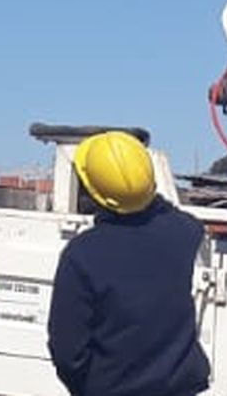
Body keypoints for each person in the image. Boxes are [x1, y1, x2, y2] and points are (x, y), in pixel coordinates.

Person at [47, 130, 211, 396]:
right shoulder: (185, 232)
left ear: (94, 191)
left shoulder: (83, 255)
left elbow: (68, 352)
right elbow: (168, 213)